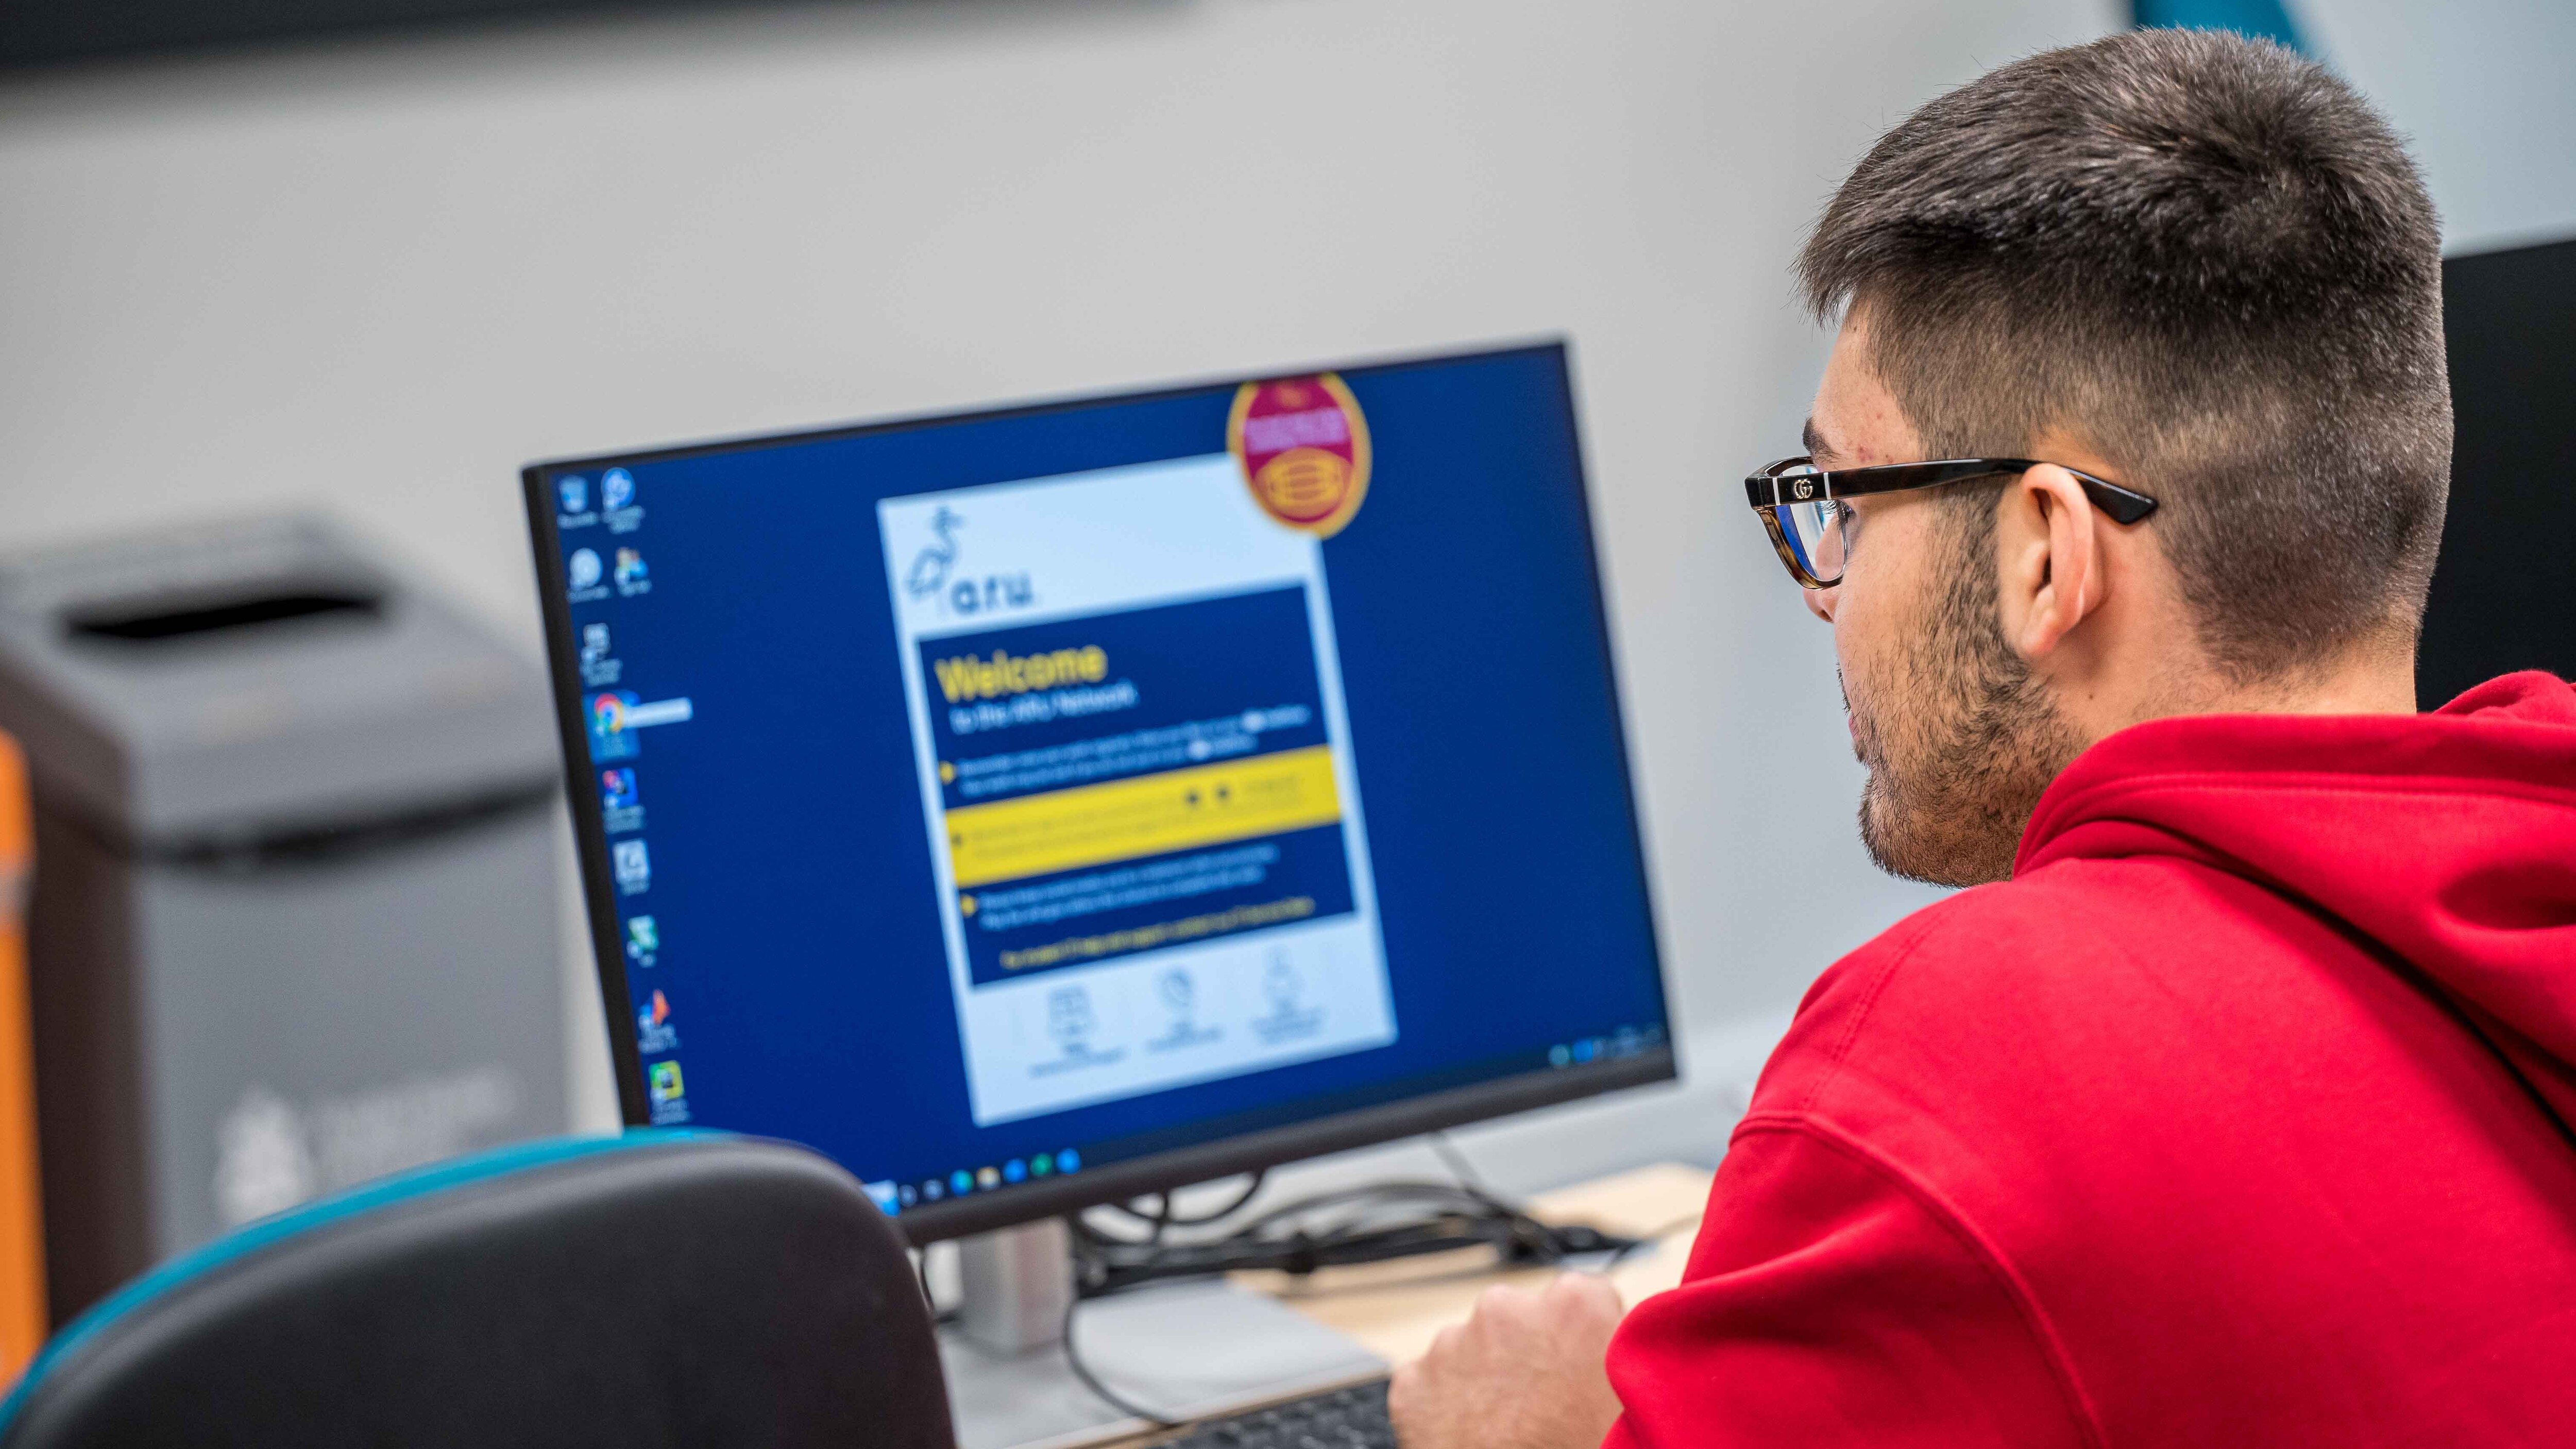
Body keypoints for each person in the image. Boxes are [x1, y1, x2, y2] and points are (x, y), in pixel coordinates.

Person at [1388, 28, 2576, 1449]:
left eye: (1839, 496)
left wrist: (1523, 1431)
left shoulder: (1959, 1059)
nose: (1824, 591)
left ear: (2044, 553)